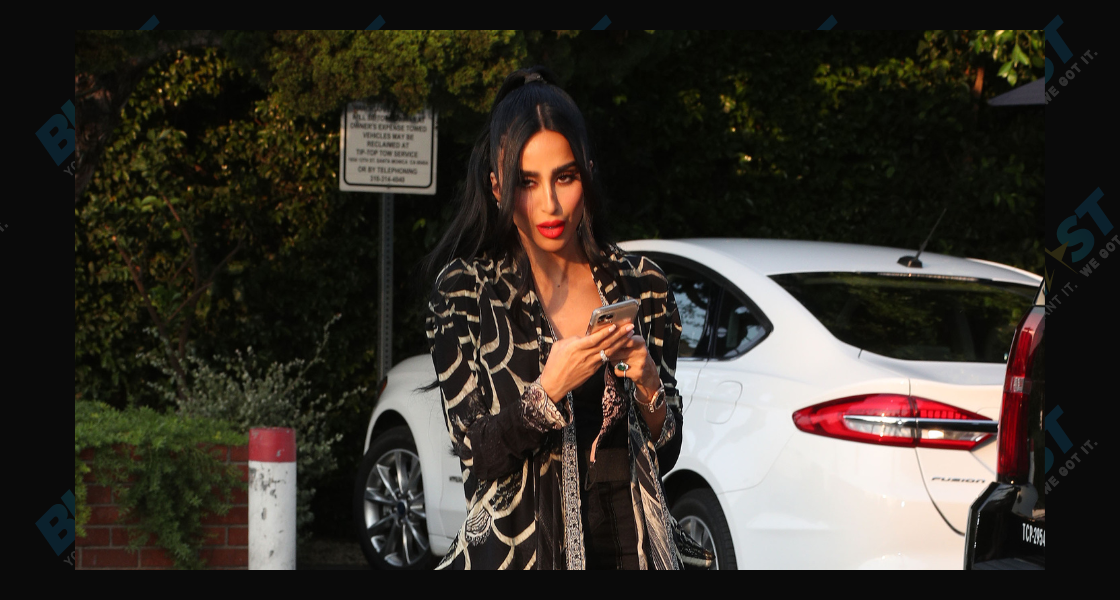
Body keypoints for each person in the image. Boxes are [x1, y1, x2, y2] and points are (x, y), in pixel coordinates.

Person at [423, 66, 713, 570]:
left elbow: (665, 454)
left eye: (565, 177)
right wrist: (547, 391)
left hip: (634, 553)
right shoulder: (465, 292)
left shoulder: (642, 284)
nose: (550, 204)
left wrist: (648, 384)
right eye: (527, 182)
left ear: (588, 174)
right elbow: (478, 458)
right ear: (496, 187)